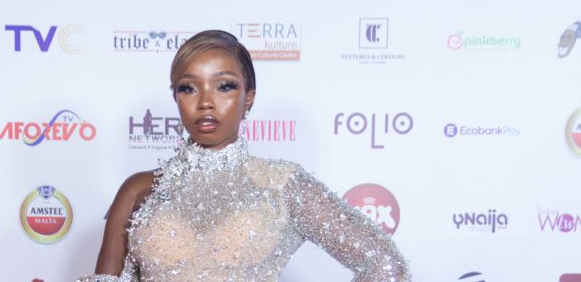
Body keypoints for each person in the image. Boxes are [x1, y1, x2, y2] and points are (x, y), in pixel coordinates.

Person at [77, 30, 411, 282]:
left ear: (248, 97)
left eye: (224, 86)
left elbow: (385, 265)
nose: (205, 102)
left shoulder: (282, 185)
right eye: (189, 88)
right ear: (175, 97)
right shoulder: (139, 189)